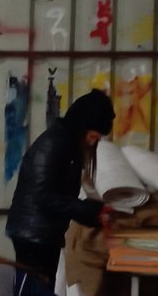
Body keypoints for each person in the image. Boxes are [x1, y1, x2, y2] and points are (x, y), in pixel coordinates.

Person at [6, 89, 117, 284]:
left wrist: (91, 210)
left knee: (39, 293)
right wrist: (90, 211)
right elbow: (44, 195)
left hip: (41, 232)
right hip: (34, 236)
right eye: (93, 136)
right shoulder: (54, 144)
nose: (93, 142)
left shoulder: (67, 143)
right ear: (82, 126)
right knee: (35, 294)